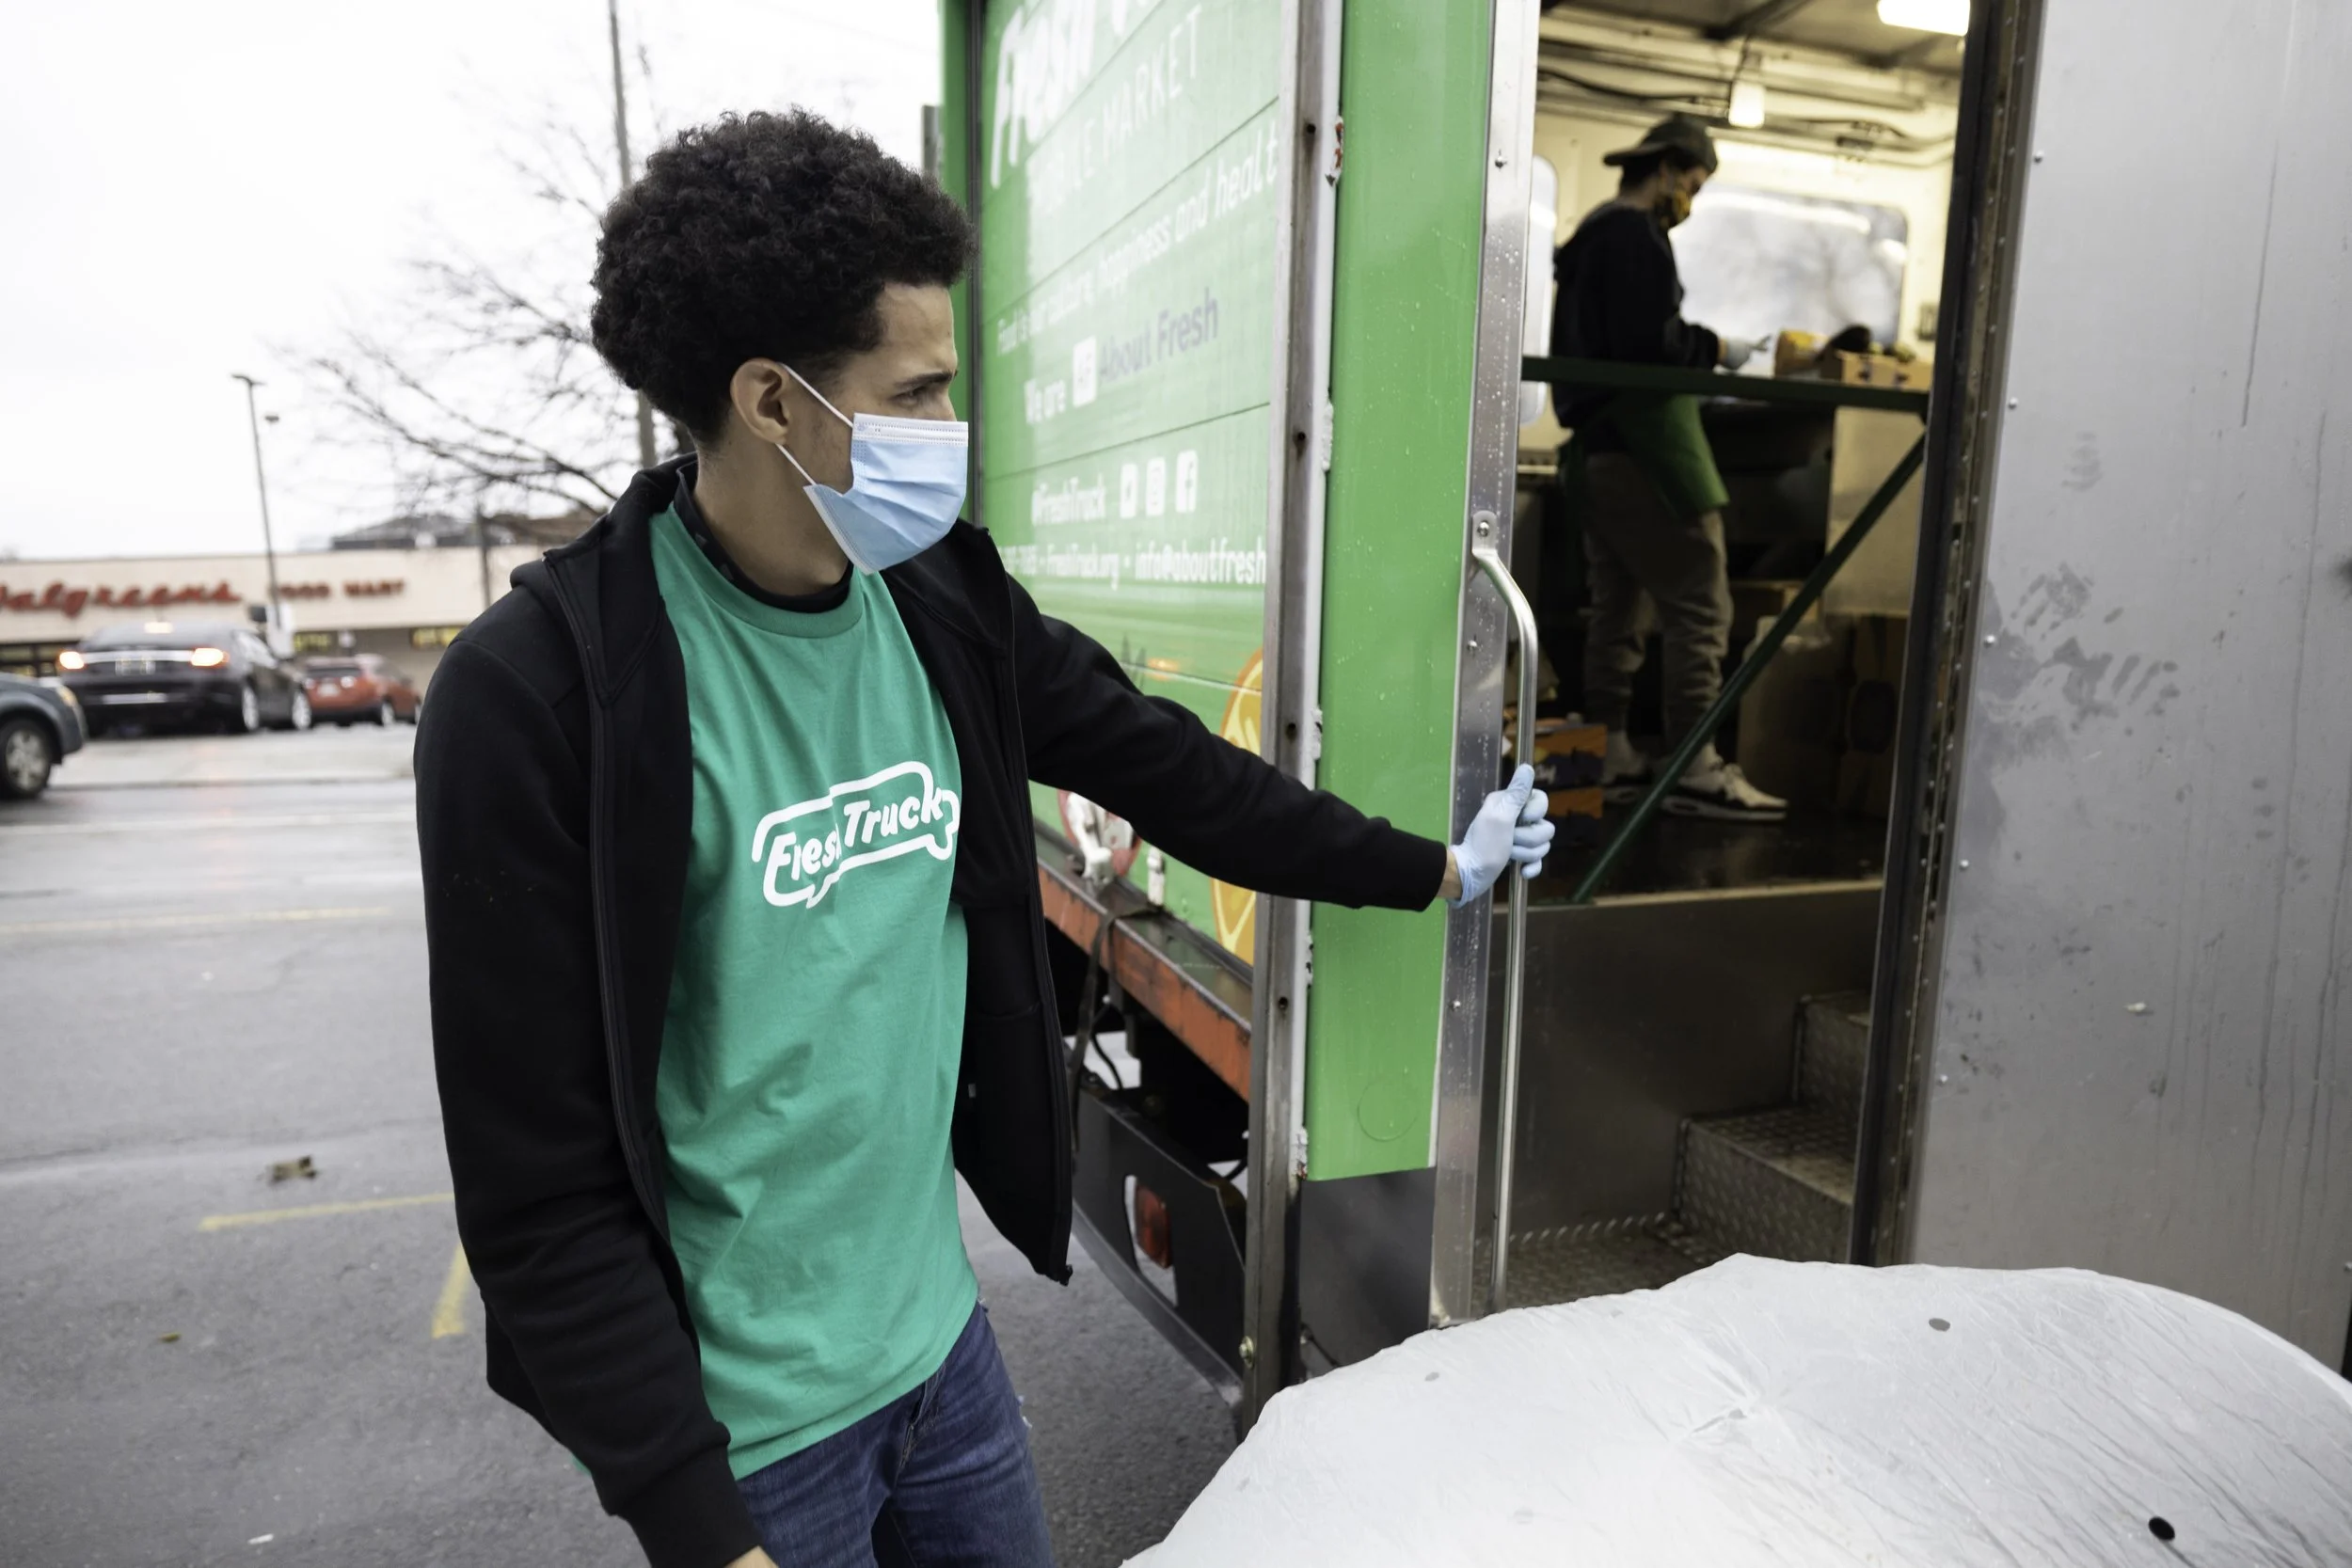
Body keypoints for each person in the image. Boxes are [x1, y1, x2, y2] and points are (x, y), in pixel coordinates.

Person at [413, 109, 1553, 1568]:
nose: (953, 431)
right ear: (772, 400)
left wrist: (1434, 864)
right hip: (747, 1443)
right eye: (922, 388)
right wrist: (701, 1524)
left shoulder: (938, 600)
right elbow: (536, 1178)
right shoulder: (540, 693)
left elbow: (1177, 772)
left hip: (938, 1356)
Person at [1549, 114, 1787, 823]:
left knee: (1619, 606)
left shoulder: (1593, 236)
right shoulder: (1633, 238)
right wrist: (1715, 346)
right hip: (1647, 447)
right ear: (1665, 169)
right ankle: (1693, 762)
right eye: (1693, 182)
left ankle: (1612, 749)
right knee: (1701, 604)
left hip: (1598, 453)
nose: (1691, 198)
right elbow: (1649, 345)